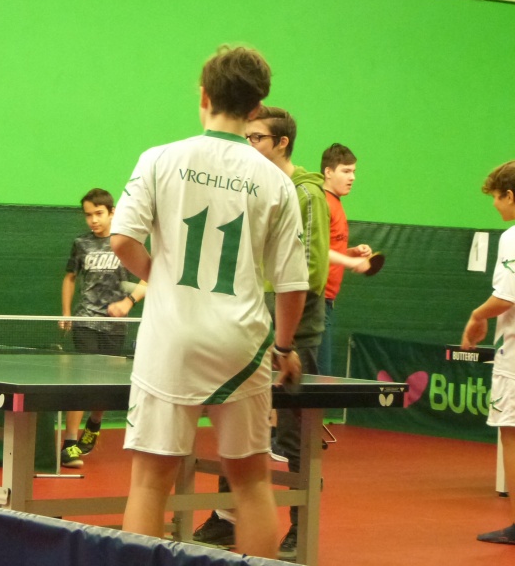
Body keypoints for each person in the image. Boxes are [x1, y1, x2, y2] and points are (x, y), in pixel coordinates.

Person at [112, 45, 309, 560]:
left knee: (150, 481)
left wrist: (160, 277)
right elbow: (293, 284)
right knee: (251, 482)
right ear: (256, 107)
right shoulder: (276, 181)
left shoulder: (159, 158)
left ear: (203, 95)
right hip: (242, 343)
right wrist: (284, 347)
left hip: (170, 337)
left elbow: (122, 240)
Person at [192, 106, 330, 561]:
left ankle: (299, 527)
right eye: (247, 136)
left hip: (294, 331)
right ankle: (225, 518)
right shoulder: (252, 184)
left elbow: (308, 270)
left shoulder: (305, 194)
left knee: (293, 437)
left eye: (257, 138)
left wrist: (282, 335)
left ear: (282, 143)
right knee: (238, 428)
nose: (248, 144)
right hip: (251, 328)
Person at [59, 188, 147, 469]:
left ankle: (94, 423)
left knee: (105, 384)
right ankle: (69, 444)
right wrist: (66, 312)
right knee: (81, 381)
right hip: (85, 321)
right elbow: (70, 277)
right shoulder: (81, 243)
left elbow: (149, 278)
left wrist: (128, 302)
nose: (93, 220)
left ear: (112, 213)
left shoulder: (126, 243)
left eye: (98, 214)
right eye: (88, 215)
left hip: (115, 325)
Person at [461, 160, 515, 545]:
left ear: (510, 196)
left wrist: (477, 316)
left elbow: (506, 297)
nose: (495, 205)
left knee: (511, 434)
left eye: (496, 198)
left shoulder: (512, 237)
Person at [317, 143, 373, 377]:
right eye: (346, 171)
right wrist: (353, 263)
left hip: (327, 301)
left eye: (354, 172)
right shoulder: (322, 203)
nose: (352, 178)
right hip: (315, 301)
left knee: (317, 378)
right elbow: (314, 250)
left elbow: (329, 249)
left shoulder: (336, 203)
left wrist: (351, 252)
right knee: (318, 379)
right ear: (328, 172)